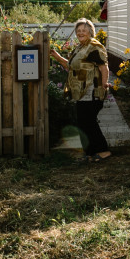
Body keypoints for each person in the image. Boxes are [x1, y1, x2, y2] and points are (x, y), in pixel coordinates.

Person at [50, 18, 112, 162]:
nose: (80, 33)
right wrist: (57, 56)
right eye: (78, 31)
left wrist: (104, 84)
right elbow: (71, 66)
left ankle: (103, 151)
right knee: (83, 123)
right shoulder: (80, 48)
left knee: (89, 122)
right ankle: (90, 153)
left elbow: (104, 67)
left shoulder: (94, 47)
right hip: (80, 92)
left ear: (90, 31)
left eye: (84, 30)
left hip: (92, 92)